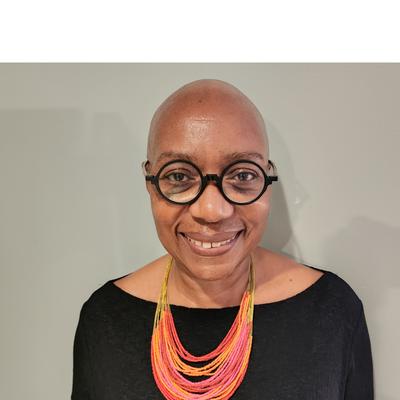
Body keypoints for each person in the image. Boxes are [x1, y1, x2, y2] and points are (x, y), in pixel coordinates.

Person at [71, 79, 374, 399]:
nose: (212, 211)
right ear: (150, 183)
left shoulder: (333, 312)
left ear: (267, 180)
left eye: (242, 175)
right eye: (179, 176)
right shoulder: (104, 319)